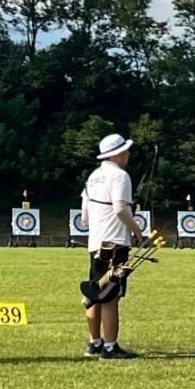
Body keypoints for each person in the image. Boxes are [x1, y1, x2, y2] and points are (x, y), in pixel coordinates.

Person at [81, 134, 144, 360]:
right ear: (116, 154)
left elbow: (84, 217)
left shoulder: (93, 177)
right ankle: (110, 346)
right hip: (115, 244)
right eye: (125, 151)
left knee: (95, 291)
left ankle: (94, 342)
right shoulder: (120, 176)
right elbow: (119, 209)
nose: (128, 155)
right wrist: (136, 229)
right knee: (111, 294)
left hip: (95, 242)